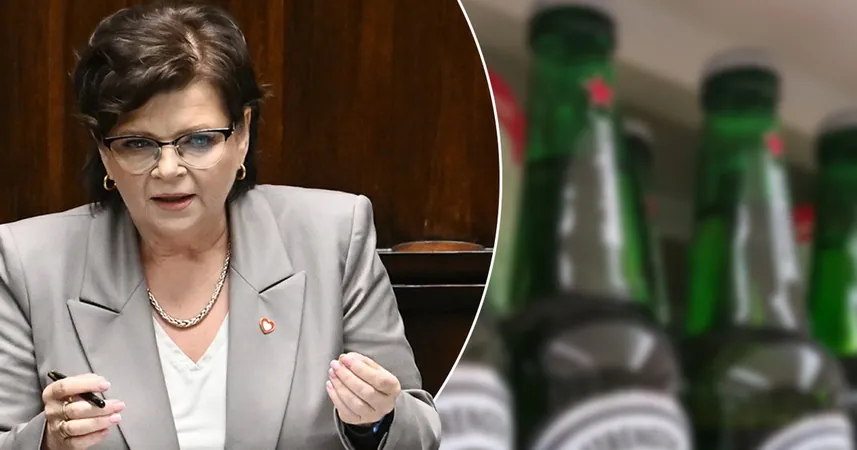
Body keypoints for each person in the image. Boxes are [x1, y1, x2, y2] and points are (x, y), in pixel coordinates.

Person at [0, 3, 441, 450]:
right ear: (104, 151)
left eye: (197, 140)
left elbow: (419, 433)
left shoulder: (334, 236)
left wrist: (374, 421)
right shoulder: (28, 263)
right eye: (137, 143)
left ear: (242, 133)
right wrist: (48, 441)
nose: (168, 169)